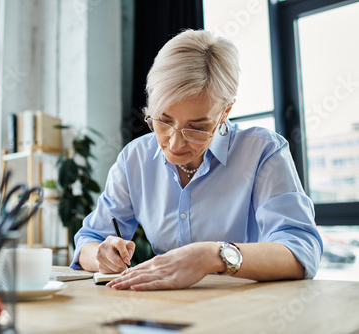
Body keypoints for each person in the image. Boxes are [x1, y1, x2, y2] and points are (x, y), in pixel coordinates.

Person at [70, 29, 323, 291]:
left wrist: (214, 256)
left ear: (225, 111)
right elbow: (89, 239)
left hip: (246, 310)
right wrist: (102, 254)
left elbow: (301, 249)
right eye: (164, 120)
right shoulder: (135, 158)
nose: (175, 143)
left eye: (197, 128)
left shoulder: (262, 151)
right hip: (162, 311)